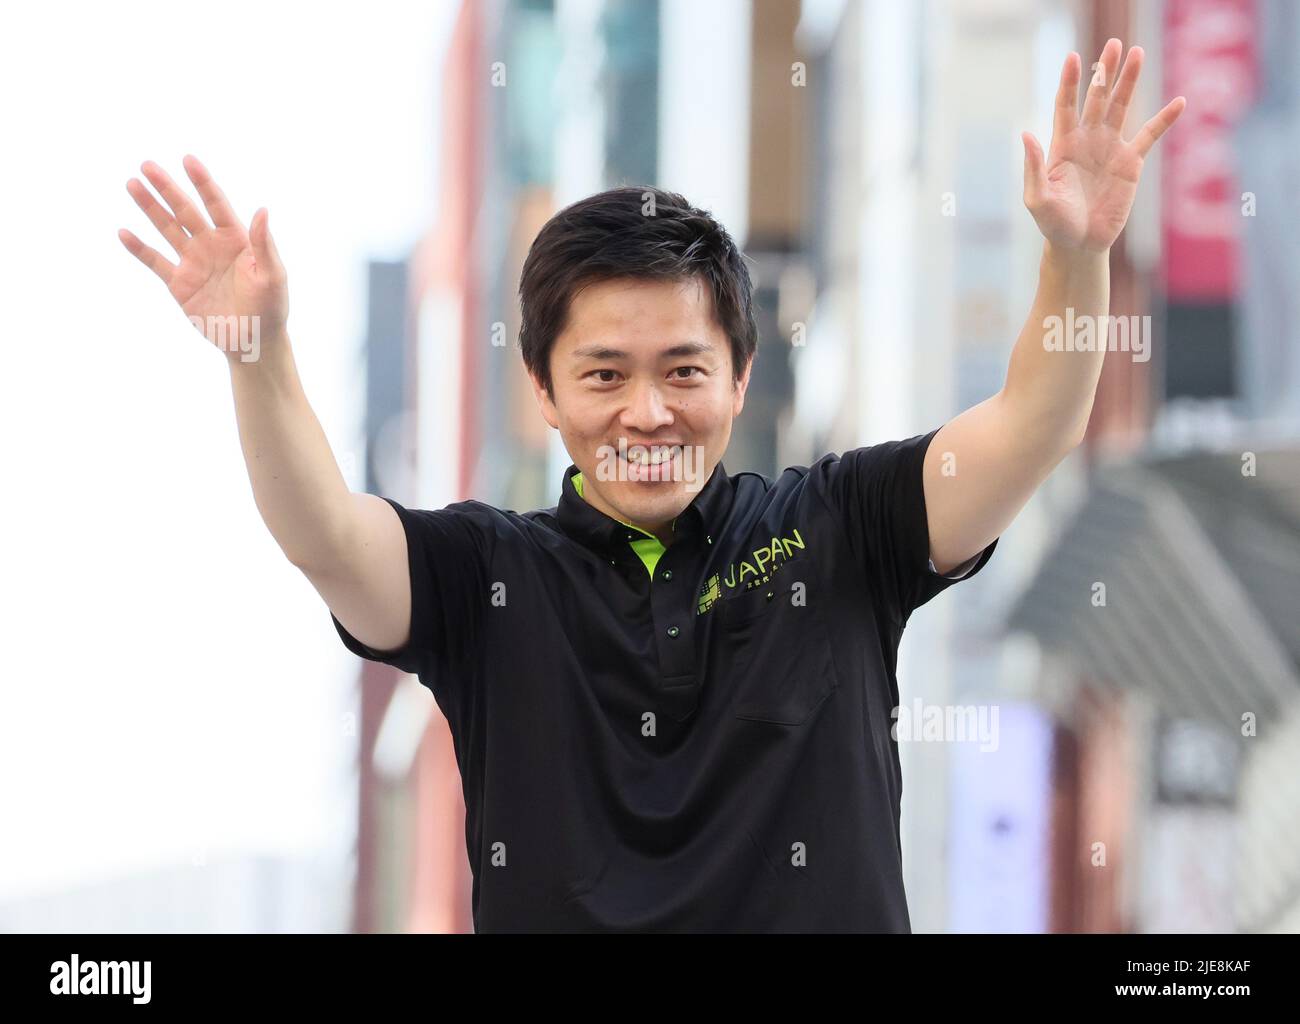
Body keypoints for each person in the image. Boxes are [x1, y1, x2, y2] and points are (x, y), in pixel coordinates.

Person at [119, 39, 1183, 932]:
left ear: (740, 374)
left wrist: (1075, 257)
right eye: (602, 374)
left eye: (683, 370)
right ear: (541, 387)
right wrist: (258, 356)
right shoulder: (483, 578)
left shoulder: (842, 527)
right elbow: (325, 535)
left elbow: (1030, 428)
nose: (646, 412)